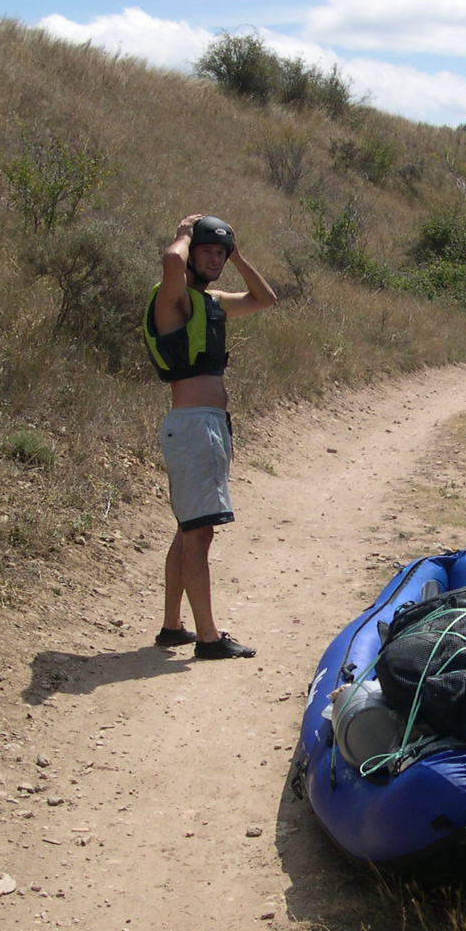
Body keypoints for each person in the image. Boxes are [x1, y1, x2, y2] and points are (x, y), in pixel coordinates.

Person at [144, 213, 276, 658]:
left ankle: (172, 627)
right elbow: (170, 262)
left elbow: (264, 299)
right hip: (194, 427)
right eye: (207, 251)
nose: (215, 259)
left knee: (188, 530)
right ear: (190, 254)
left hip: (207, 426)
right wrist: (183, 236)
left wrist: (237, 255)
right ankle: (208, 638)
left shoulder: (209, 301)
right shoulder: (173, 300)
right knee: (199, 536)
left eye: (220, 252)